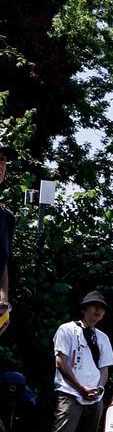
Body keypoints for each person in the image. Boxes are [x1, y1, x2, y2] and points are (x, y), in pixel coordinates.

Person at [50, 291, 113, 432]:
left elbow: (104, 369)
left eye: (102, 308)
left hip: (95, 397)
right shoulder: (66, 330)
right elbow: (60, 362)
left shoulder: (102, 337)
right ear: (84, 309)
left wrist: (99, 388)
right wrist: (81, 388)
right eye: (94, 306)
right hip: (70, 392)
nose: (98, 311)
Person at [0, 143, 16, 338]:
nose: (1, 165)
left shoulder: (6, 217)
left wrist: (4, 302)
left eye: (3, 160)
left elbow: (3, 263)